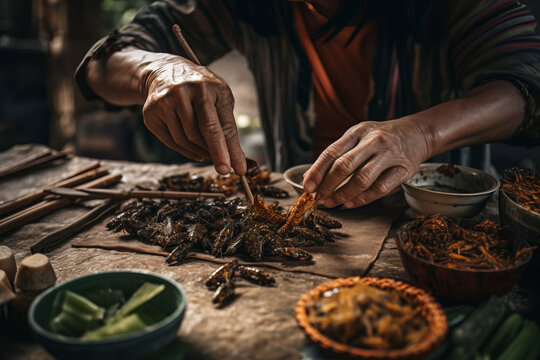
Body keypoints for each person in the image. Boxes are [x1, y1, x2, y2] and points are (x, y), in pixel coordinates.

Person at [76, 0, 540, 208]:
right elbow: (101, 65)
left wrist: (422, 133)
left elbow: (525, 85)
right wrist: (155, 70)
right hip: (301, 218)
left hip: (433, 230)